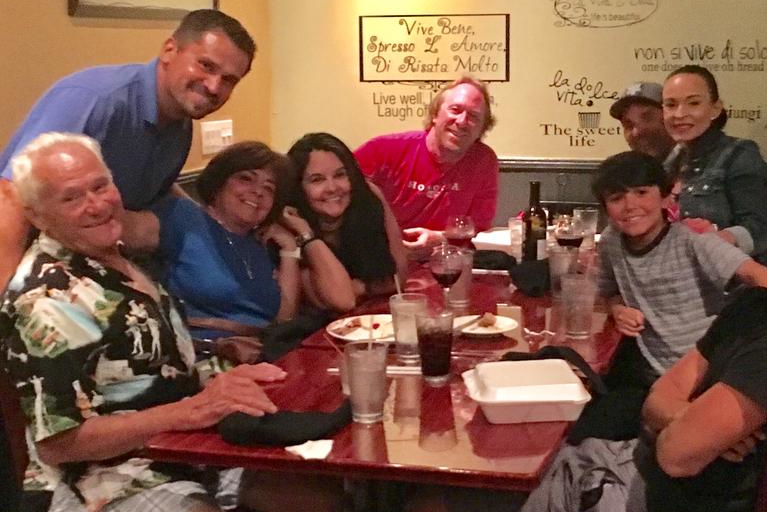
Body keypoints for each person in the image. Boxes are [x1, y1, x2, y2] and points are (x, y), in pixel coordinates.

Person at [389, 164, 767, 512]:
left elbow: (675, 455)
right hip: (633, 472)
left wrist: (684, 425)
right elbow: (658, 397)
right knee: (503, 468)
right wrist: (690, 419)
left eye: (640, 192)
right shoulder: (754, 306)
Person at [0, 133, 342, 512]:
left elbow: (154, 369)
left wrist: (226, 375)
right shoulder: (49, 301)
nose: (97, 204)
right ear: (38, 215)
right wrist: (192, 411)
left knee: (318, 508)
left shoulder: (117, 259)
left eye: (100, 185)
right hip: (95, 482)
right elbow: (61, 443)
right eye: (72, 197)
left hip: (176, 451)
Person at [0, 9, 256, 289]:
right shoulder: (96, 99)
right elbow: (11, 195)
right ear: (169, 50)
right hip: (33, 275)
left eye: (229, 80)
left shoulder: (180, 126)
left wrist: (219, 231)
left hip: (91, 271)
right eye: (206, 66)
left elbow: (154, 192)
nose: (214, 86)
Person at [576, 151, 767, 442]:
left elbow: (763, 278)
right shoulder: (611, 241)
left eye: (642, 193)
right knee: (579, 430)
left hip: (702, 379)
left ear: (665, 197)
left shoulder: (692, 242)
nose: (630, 205)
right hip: (650, 377)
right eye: (617, 197)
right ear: (606, 208)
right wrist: (618, 309)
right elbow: (607, 291)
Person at [123, 140, 356, 339]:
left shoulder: (259, 244)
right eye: (246, 179)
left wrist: (289, 250)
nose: (258, 191)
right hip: (209, 357)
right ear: (219, 183)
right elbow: (122, 230)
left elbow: (284, 317)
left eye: (269, 188)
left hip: (264, 356)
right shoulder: (185, 218)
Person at [354, 76, 498, 253]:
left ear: (482, 129)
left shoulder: (484, 161)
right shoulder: (381, 150)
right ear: (435, 114)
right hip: (381, 256)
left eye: (474, 116)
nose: (462, 121)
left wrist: (441, 239)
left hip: (446, 259)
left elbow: (478, 230)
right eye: (455, 110)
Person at [662, 65, 767, 269]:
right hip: (678, 275)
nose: (680, 114)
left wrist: (715, 239)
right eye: (671, 105)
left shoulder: (738, 153)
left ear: (715, 108)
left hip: (730, 279)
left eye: (693, 103)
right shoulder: (670, 161)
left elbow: (761, 229)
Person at [287, 132, 407, 302]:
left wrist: (363, 288)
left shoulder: (368, 196)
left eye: (340, 175)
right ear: (298, 187)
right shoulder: (291, 223)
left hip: (369, 314)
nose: (332, 188)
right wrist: (306, 235)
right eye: (317, 180)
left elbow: (399, 276)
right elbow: (340, 301)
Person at [609, 81, 675, 161]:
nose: (637, 132)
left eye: (647, 117)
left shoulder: (687, 164)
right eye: (628, 125)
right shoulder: (630, 167)